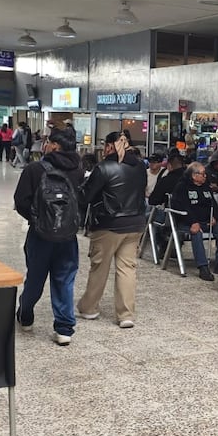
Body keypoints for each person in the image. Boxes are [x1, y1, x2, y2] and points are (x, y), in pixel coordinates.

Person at [12, 126, 84, 346]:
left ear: (55, 146)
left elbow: (21, 201)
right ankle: (64, 329)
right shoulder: (78, 169)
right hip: (68, 236)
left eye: (48, 141)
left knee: (35, 277)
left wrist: (37, 220)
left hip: (40, 236)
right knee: (64, 279)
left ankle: (26, 316)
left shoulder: (35, 169)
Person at [77, 132, 148, 329]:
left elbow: (85, 197)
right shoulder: (140, 166)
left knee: (100, 267)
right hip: (135, 223)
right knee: (127, 268)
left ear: (109, 146)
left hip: (108, 224)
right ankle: (126, 315)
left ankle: (89, 308)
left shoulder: (104, 167)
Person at [169, 162, 218, 281]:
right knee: (197, 233)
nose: (205, 176)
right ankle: (203, 267)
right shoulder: (182, 187)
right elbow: (181, 207)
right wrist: (193, 222)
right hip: (187, 222)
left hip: (207, 221)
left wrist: (214, 217)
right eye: (203, 174)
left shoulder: (206, 187)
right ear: (194, 175)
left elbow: (214, 205)